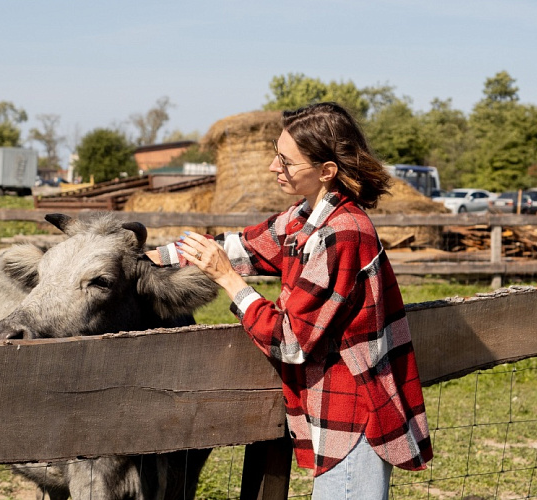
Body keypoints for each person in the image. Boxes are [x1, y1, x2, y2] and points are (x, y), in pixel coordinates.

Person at [148, 102, 433, 499]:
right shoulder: (305, 217)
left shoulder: (343, 233)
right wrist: (141, 262)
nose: (272, 167)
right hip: (329, 411)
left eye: (285, 160)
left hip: (351, 415)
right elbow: (240, 246)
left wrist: (229, 282)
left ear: (326, 171)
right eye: (275, 154)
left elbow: (290, 340)